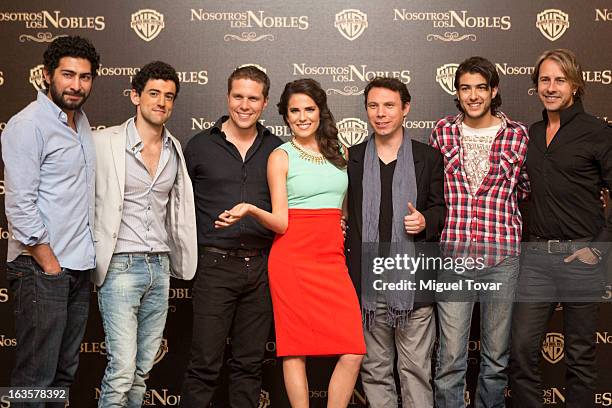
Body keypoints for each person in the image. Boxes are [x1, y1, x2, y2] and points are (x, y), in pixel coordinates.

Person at [216, 78, 365, 408]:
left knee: (353, 350)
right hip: (292, 259)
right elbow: (282, 221)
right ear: (285, 116)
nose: (302, 117)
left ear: (320, 111)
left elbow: (342, 205)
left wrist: (337, 223)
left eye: (309, 109)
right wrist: (252, 210)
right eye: (294, 111)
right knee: (294, 347)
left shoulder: (340, 151)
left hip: (330, 258)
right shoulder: (280, 156)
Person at [510, 49, 612, 407]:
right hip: (535, 258)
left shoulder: (599, 133)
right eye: (544, 80)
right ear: (536, 85)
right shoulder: (531, 134)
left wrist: (598, 247)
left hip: (582, 257)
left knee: (581, 358)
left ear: (575, 84)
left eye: (559, 80)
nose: (551, 87)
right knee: (521, 350)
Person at [92, 61, 197, 407]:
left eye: (169, 96)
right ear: (136, 96)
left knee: (141, 370)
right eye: (154, 93)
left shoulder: (174, 150)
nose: (162, 102)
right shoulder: (103, 142)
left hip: (160, 269)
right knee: (121, 369)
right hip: (120, 266)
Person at [2, 36, 99, 406]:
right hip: (42, 270)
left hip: (76, 268)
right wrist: (50, 265)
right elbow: (20, 205)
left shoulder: (82, 122)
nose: (76, 85)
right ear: (47, 75)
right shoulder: (28, 125)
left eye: (85, 77)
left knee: (62, 372)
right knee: (34, 377)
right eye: (68, 75)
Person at [430, 56, 529, 407]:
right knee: (450, 360)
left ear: (494, 90)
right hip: (454, 257)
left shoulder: (517, 135)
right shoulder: (442, 132)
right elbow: (432, 192)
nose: (473, 96)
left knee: (495, 360)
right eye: (465, 88)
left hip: (501, 257)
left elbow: (528, 189)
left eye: (480, 88)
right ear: (456, 92)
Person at [181, 65, 282, 408]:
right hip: (214, 266)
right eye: (238, 96)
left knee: (249, 366)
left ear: (265, 103)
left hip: (261, 270)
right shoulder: (198, 147)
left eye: (253, 98)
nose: (244, 105)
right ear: (227, 97)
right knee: (204, 365)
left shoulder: (278, 150)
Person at [346, 77, 445, 407]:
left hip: (413, 285)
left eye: (389, 105)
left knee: (415, 370)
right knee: (375, 372)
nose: (381, 113)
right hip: (368, 287)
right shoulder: (353, 158)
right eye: (373, 106)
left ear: (406, 109)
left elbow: (440, 209)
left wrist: (425, 221)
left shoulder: (427, 157)